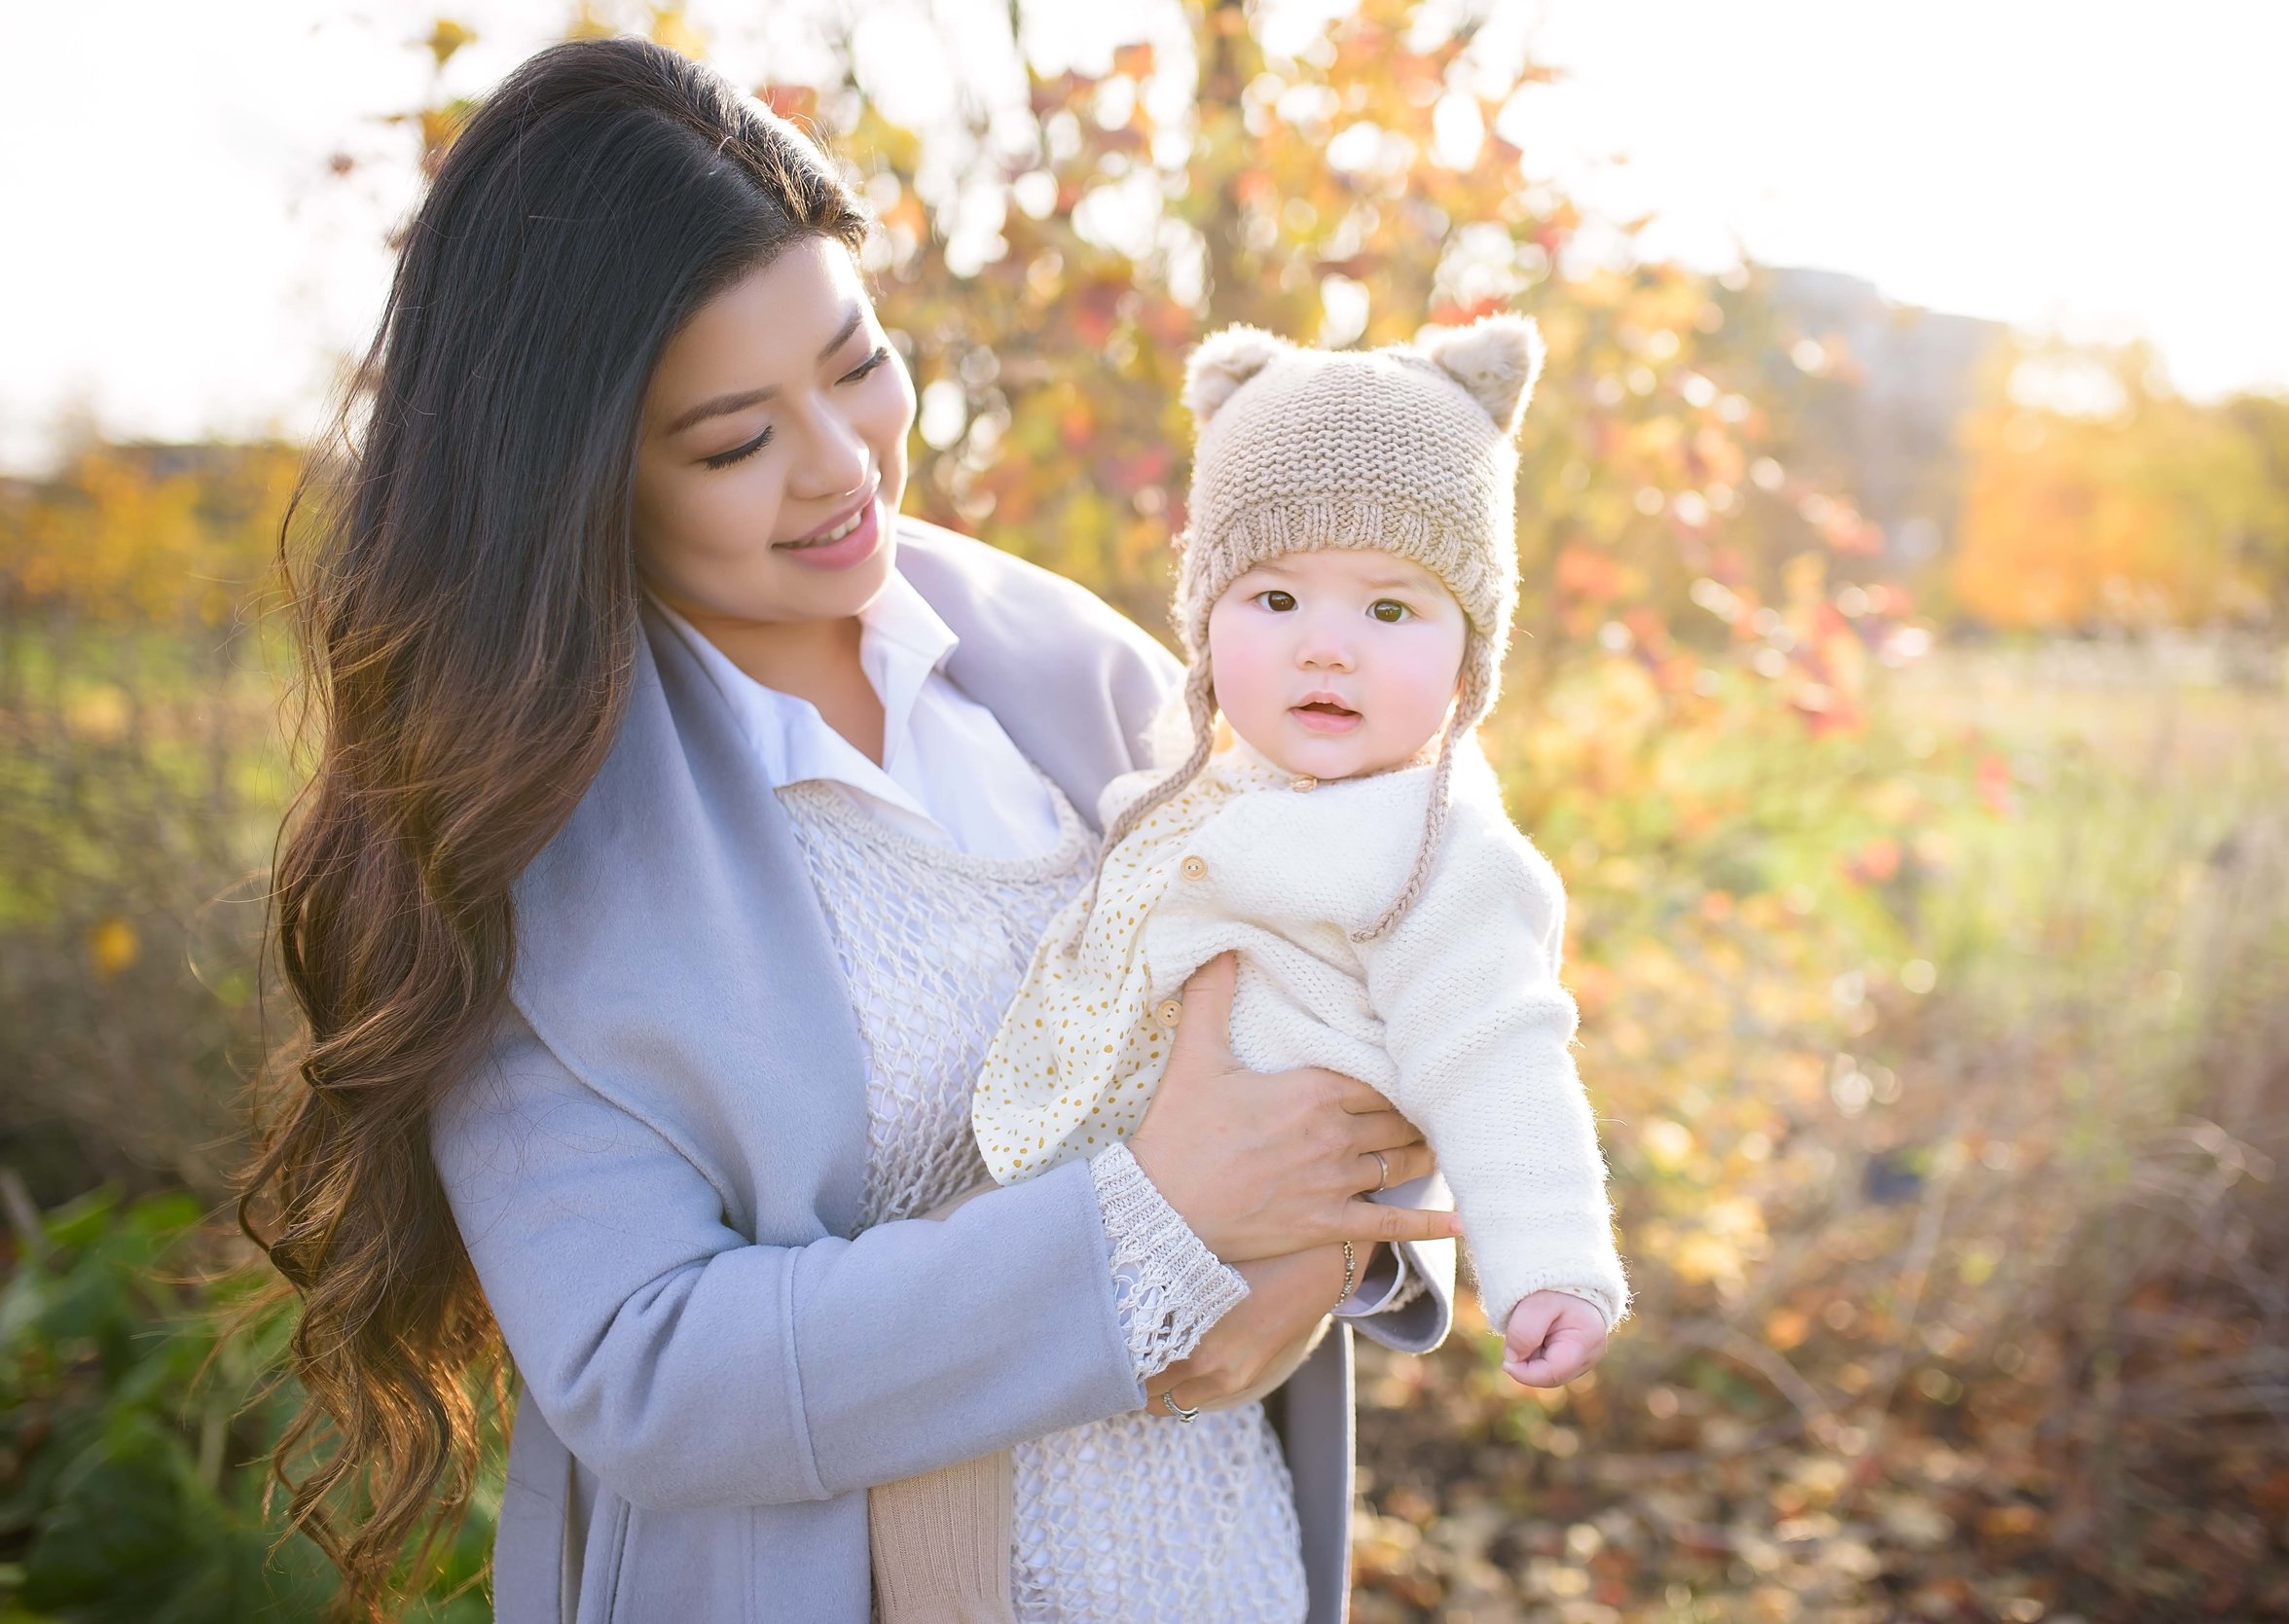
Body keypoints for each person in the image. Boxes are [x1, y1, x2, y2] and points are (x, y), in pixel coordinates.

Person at [240, 35, 1459, 1624]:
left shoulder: (1072, 665)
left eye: (857, 360)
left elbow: (1330, 1001)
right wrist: (1141, 1238)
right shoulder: (516, 827)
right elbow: (648, 1368)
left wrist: (1321, 1262)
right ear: (579, 477)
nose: (841, 470)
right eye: (734, 439)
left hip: (1215, 1567)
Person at [875, 319, 1632, 1616]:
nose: (1324, 645)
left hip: (1228, 1264)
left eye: (1390, 608)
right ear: (1208, 616)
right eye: (1274, 600)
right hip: (1073, 1255)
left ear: (1469, 657)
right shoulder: (1200, 772)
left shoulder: (1438, 846)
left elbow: (1499, 1046)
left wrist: (1550, 1259)